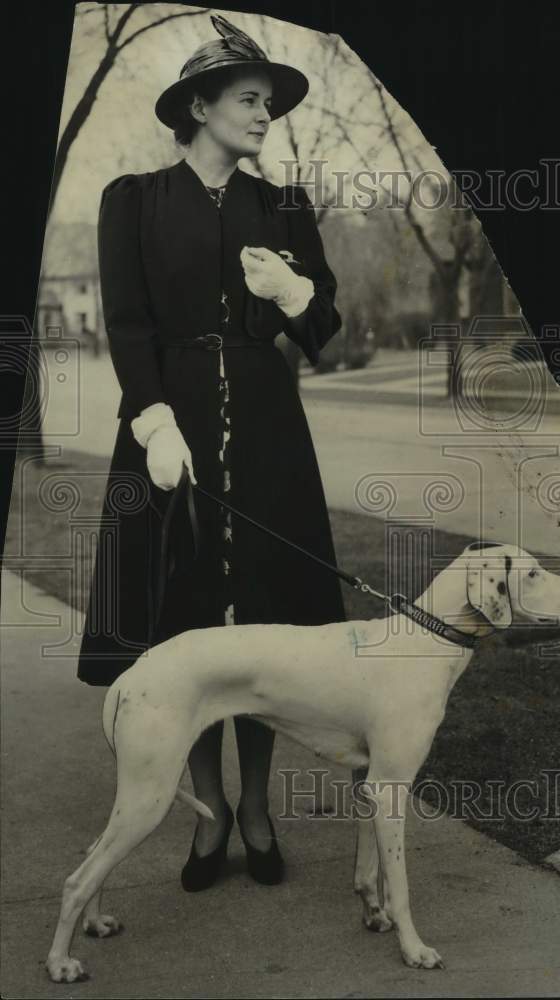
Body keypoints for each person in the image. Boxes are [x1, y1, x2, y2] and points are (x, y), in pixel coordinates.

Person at [77, 15, 347, 892]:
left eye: (268, 103)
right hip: (168, 424)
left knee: (265, 629)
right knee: (184, 626)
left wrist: (294, 290)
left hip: (267, 427)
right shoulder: (134, 201)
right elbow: (126, 323)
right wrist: (151, 417)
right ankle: (210, 814)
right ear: (199, 107)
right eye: (247, 99)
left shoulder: (286, 206)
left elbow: (323, 332)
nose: (264, 115)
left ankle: (259, 807)